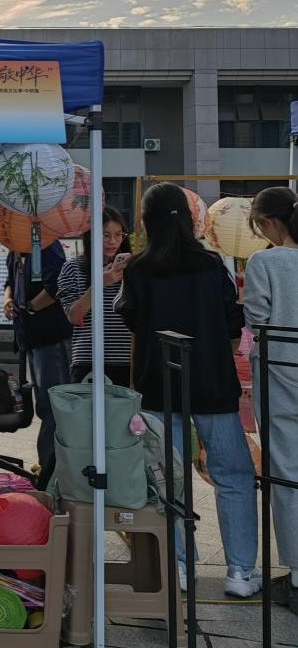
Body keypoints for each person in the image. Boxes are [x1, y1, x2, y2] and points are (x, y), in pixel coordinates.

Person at [115, 182, 260, 598]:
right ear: (190, 219)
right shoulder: (212, 264)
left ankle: (179, 565)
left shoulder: (138, 269)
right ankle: (240, 572)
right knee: (233, 476)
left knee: (167, 479)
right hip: (213, 383)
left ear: (146, 222)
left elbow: (128, 316)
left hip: (157, 385)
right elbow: (233, 320)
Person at [243, 187, 298, 609]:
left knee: (287, 474)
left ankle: (297, 574)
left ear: (265, 222)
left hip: (280, 378)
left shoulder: (265, 262)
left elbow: (257, 320)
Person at [4, 242, 73, 471]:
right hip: (30, 337)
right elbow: (9, 282)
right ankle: (48, 466)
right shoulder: (16, 248)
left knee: (53, 405)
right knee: (44, 404)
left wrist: (29, 306)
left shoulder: (47, 245)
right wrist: (8, 300)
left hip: (50, 337)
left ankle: (51, 470)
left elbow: (57, 287)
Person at [56, 207, 134, 383]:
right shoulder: (73, 268)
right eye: (106, 235)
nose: (113, 241)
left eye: (118, 235)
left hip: (127, 359)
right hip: (88, 360)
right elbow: (73, 316)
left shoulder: (133, 269)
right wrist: (99, 284)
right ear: (90, 236)